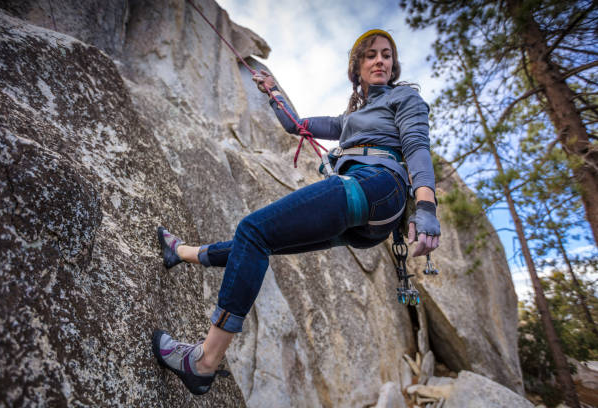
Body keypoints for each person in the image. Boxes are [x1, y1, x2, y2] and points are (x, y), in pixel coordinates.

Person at [151, 29, 440, 395]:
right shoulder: (350, 118)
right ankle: (180, 253)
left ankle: (203, 362)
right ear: (357, 68)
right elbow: (297, 125)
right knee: (258, 242)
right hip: (367, 219)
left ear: (394, 64)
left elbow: (416, 146)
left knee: (254, 231)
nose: (380, 60)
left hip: (379, 184)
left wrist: (427, 206)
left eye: (386, 54)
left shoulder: (404, 98)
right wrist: (272, 91)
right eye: (371, 55)